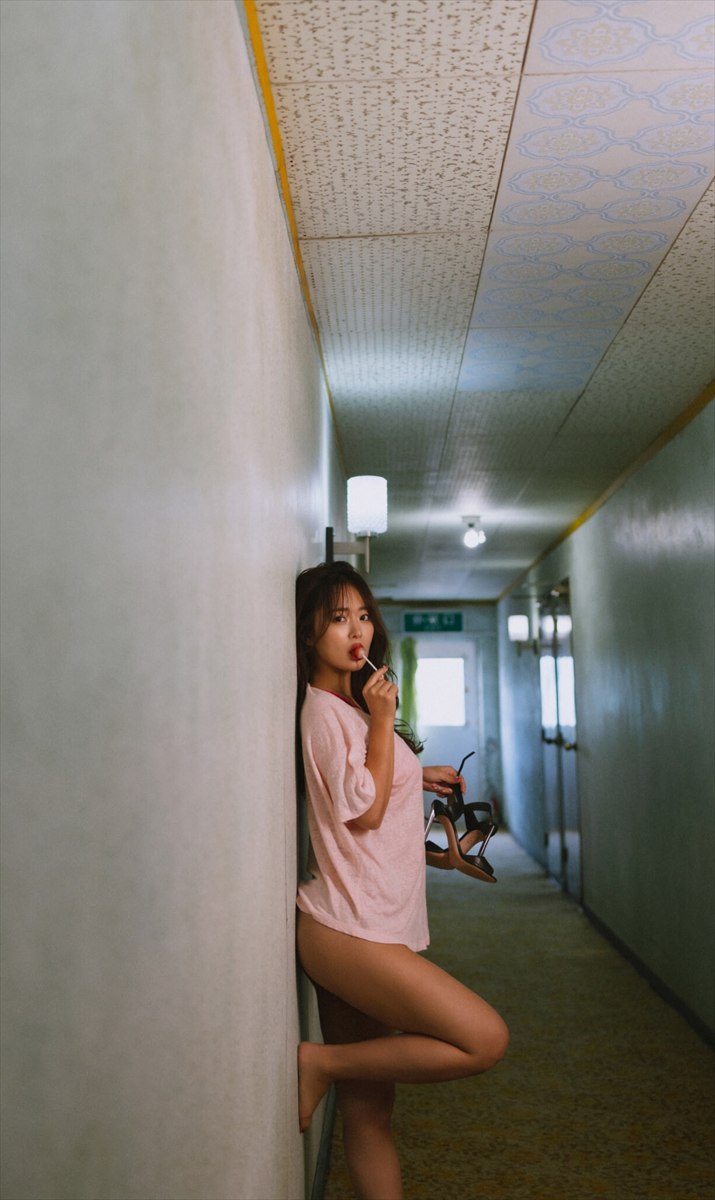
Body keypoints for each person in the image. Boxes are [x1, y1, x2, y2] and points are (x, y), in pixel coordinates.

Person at [295, 561, 508, 1200]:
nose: (356, 630)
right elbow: (364, 810)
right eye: (338, 618)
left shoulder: (351, 706)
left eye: (363, 616)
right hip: (349, 928)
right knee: (484, 1039)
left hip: (371, 919)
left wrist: (423, 780)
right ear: (308, 632)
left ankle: (330, 1068)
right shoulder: (325, 712)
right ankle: (321, 1062)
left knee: (370, 1116)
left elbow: (375, 802)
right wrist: (385, 722)